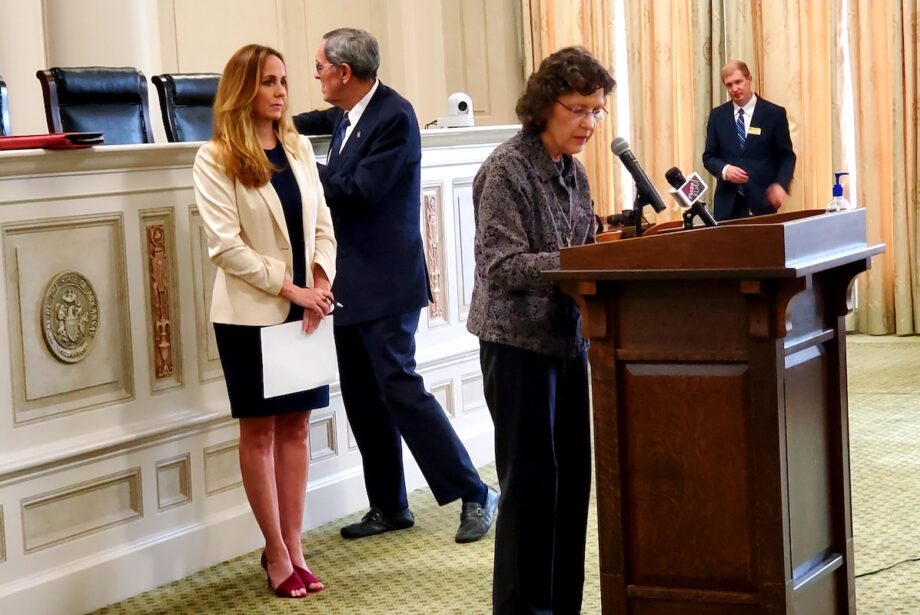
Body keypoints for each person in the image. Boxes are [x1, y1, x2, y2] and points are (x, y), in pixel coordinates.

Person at [293, 28, 498, 544]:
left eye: (318, 67)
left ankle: (475, 492)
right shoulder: (347, 113)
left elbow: (359, 191)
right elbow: (312, 122)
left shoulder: (395, 116)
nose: (314, 75)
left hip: (387, 283)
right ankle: (388, 505)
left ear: (343, 72)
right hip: (348, 283)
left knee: (400, 390)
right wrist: (269, 124)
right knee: (362, 399)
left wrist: (299, 166)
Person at [468, 47, 615, 614]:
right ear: (544, 105)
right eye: (578, 109)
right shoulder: (507, 169)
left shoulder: (574, 174)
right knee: (530, 492)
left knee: (571, 486)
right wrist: (576, 266)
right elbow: (500, 266)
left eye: (597, 111)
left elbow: (580, 248)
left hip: (568, 343)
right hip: (516, 347)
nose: (588, 123)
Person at [193, 44, 336, 598]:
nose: (281, 91)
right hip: (251, 315)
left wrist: (321, 281)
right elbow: (226, 248)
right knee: (259, 433)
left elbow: (323, 223)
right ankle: (275, 553)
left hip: (306, 309)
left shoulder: (298, 148)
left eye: (283, 81)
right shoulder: (216, 157)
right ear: (242, 90)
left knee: (298, 427)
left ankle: (296, 547)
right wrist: (293, 288)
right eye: (268, 82)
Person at [703, 60, 796, 221]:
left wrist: (781, 184)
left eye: (738, 82)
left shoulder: (774, 114)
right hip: (727, 206)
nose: (734, 89)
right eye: (729, 85)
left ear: (749, 79)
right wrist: (725, 170)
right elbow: (709, 157)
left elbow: (786, 156)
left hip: (762, 203)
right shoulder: (718, 116)